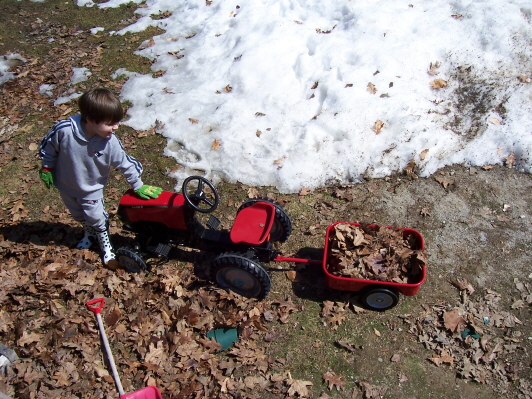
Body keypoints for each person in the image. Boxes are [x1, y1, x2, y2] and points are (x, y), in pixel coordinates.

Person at [38, 88, 162, 269]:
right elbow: (50, 148)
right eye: (110, 123)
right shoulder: (64, 131)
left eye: (117, 122)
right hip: (66, 185)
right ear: (90, 120)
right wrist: (47, 167)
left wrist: (137, 184)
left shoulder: (110, 141)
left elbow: (125, 163)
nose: (116, 127)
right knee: (78, 215)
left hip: (91, 189)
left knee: (96, 217)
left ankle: (106, 245)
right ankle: (88, 233)